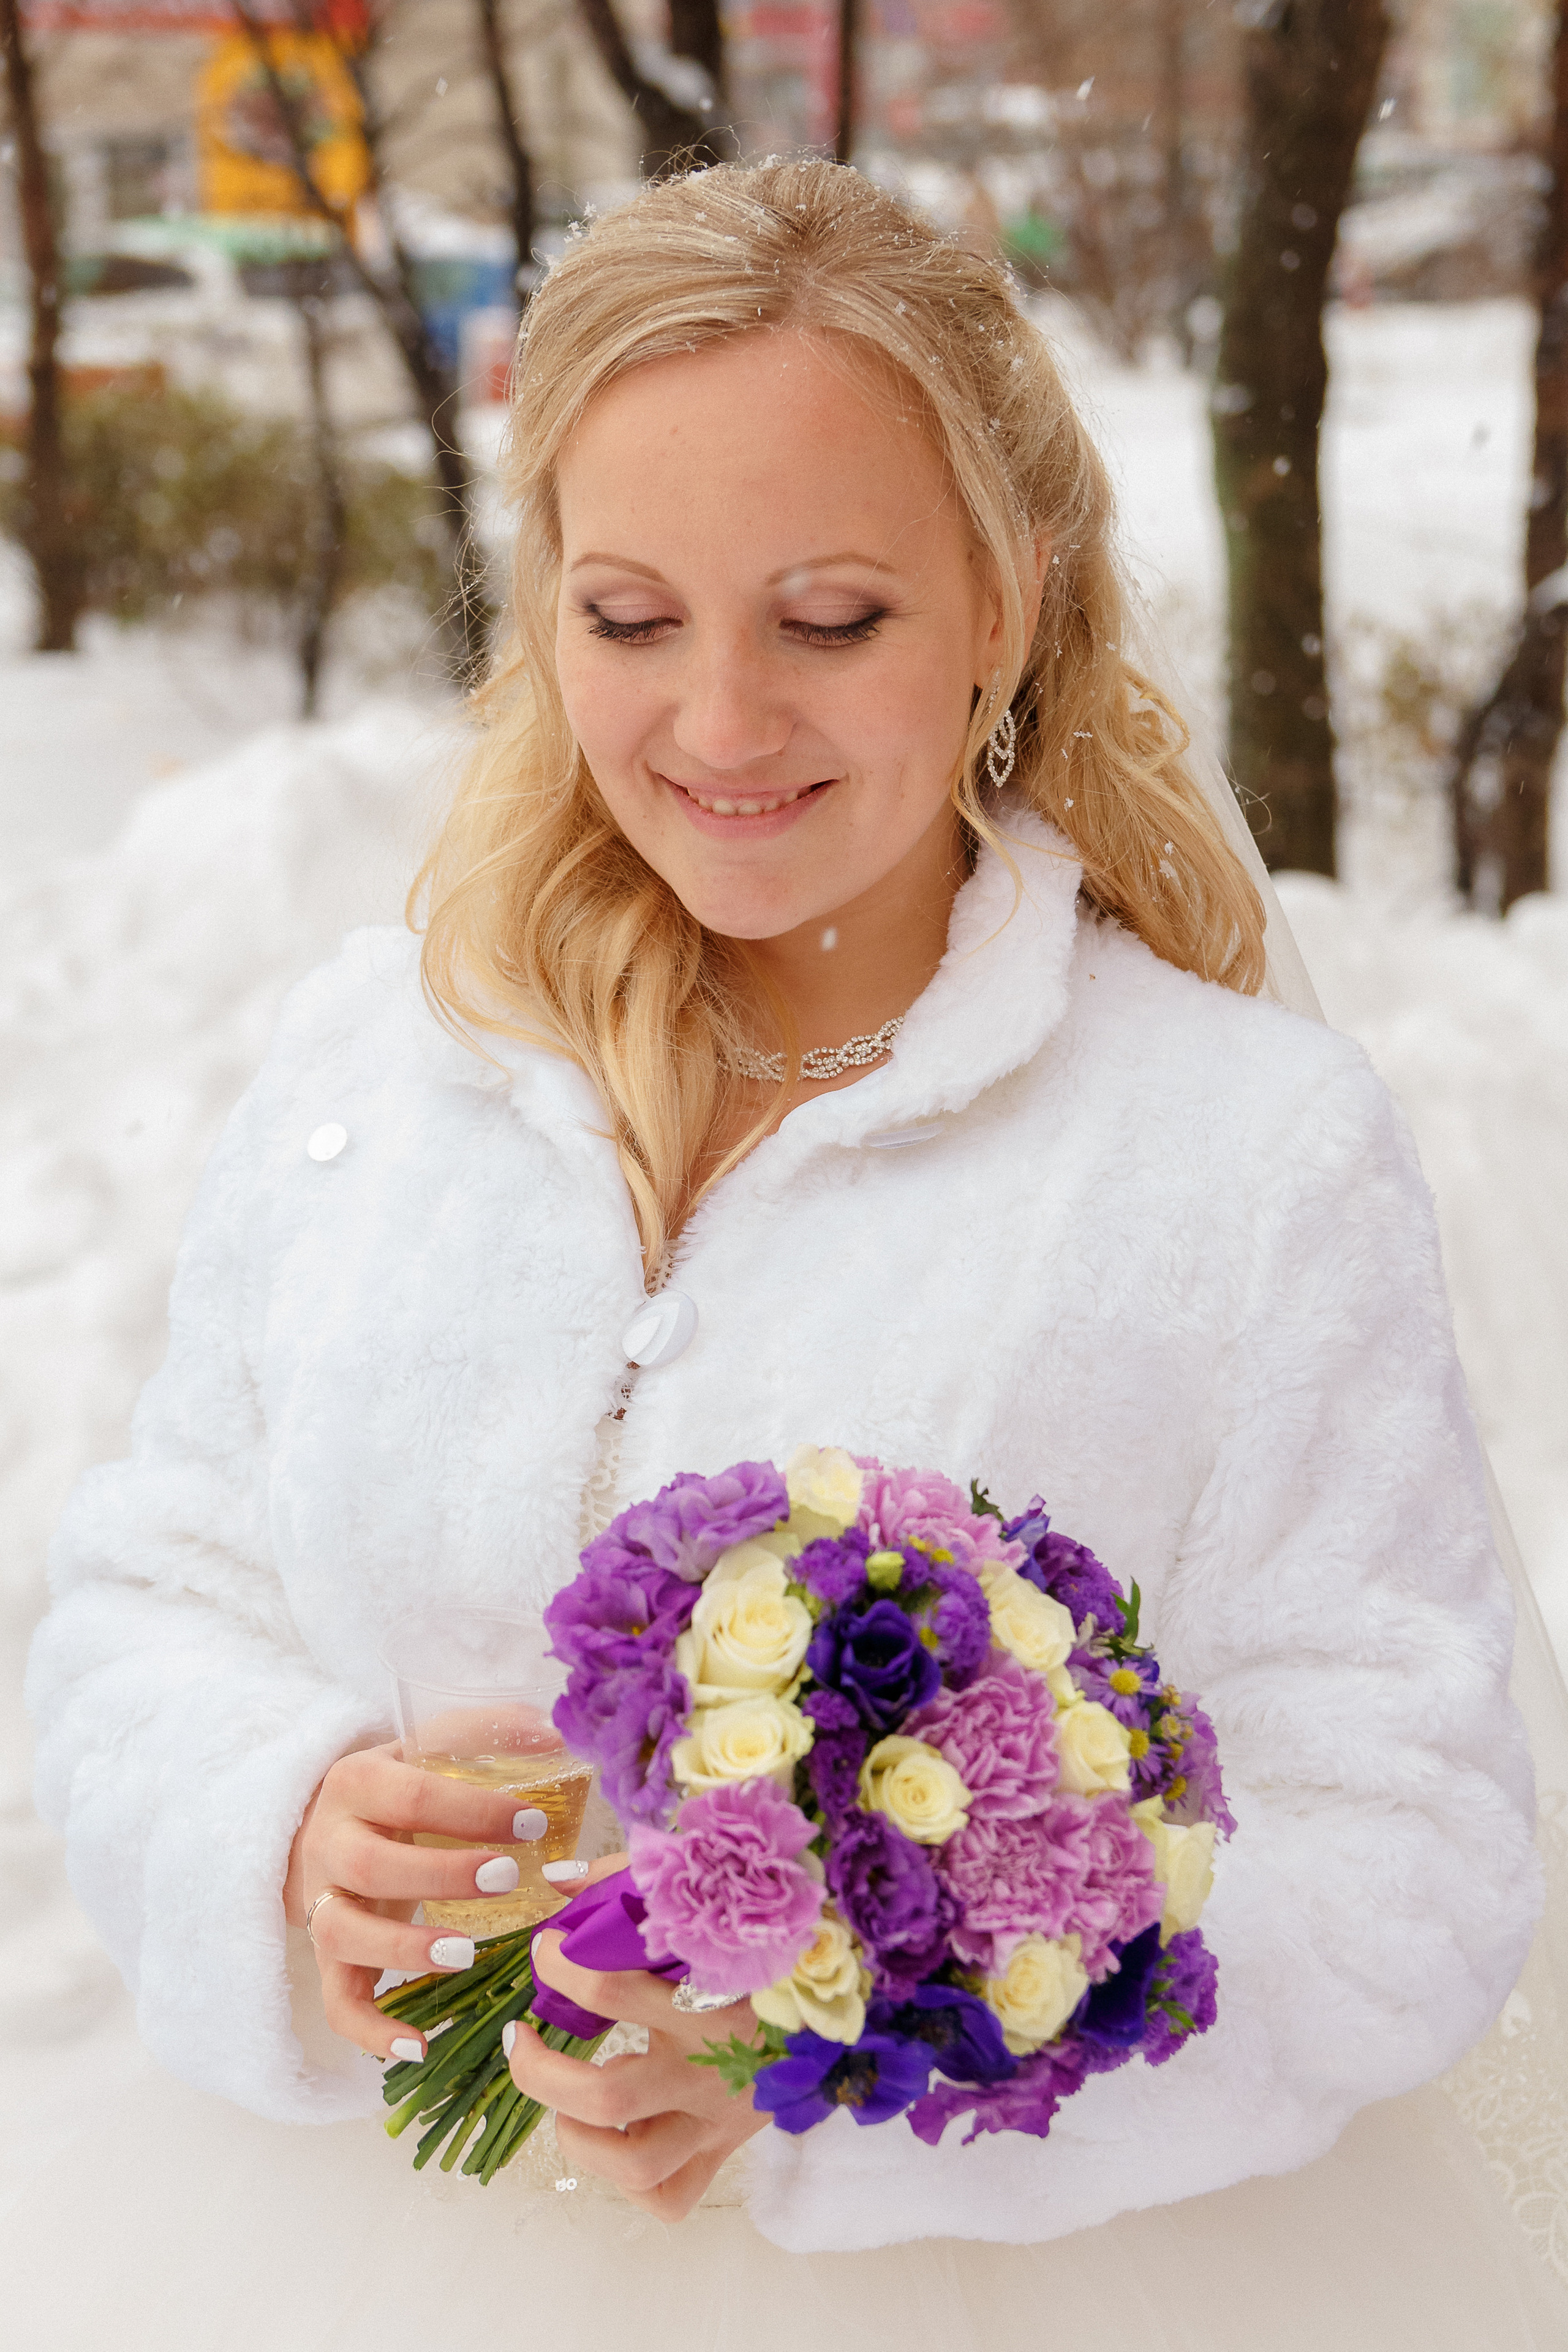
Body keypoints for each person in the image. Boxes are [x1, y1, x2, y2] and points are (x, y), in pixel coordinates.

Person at [17, 159, 1568, 2348]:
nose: (722, 727)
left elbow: (1401, 1855)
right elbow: (154, 1595)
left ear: (1007, 603)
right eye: (632, 618)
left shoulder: (1240, 1162)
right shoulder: (380, 1060)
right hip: (338, 2254)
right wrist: (275, 1825)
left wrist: (846, 2062)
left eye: (830, 619)